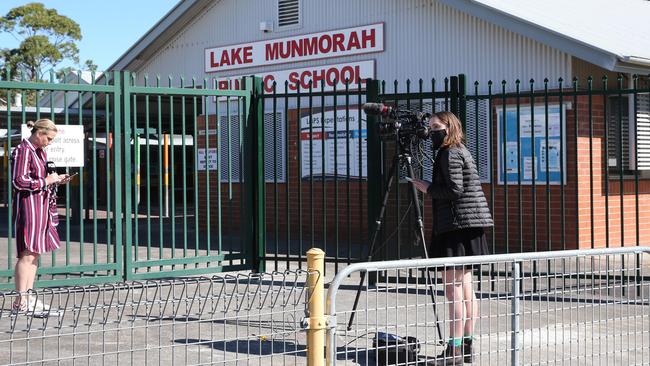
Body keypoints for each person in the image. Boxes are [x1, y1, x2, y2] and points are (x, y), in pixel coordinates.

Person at [411, 111, 493, 365]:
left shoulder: (449, 154)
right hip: (468, 227)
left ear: (449, 127)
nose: (432, 131)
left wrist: (426, 187)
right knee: (466, 288)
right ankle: (466, 345)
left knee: (452, 290)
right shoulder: (460, 150)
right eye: (431, 127)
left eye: (436, 126)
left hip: (457, 228)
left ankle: (453, 350)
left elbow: (455, 190)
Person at [11, 119, 70, 313]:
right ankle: (21, 300)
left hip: (41, 206)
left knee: (34, 254)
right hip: (29, 207)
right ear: (39, 133)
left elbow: (40, 179)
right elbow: (19, 181)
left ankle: (27, 295)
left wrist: (56, 180)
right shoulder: (23, 150)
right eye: (49, 138)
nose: (50, 142)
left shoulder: (40, 152)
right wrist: (46, 181)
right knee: (27, 254)